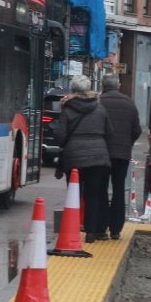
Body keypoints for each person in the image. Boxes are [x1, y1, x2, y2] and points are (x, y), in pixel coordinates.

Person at [53, 75, 113, 243]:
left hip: (74, 158)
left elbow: (60, 136)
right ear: (88, 89)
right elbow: (110, 133)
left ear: (72, 90)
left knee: (74, 195)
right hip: (98, 157)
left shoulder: (68, 109)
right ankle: (91, 233)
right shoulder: (100, 109)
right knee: (92, 196)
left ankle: (71, 231)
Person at [97, 73, 142, 240]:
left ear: (103, 85)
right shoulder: (129, 104)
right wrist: (127, 143)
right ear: (118, 86)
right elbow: (137, 130)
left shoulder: (99, 102)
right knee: (118, 190)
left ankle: (100, 228)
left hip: (102, 153)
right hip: (122, 154)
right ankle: (116, 229)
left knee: (101, 190)